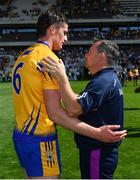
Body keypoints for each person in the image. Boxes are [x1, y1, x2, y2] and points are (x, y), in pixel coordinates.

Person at [12, 9, 126, 179]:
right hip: (40, 139)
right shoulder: (49, 60)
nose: (66, 38)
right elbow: (56, 113)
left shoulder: (24, 56)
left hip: (21, 135)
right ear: (52, 30)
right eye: (64, 32)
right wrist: (97, 133)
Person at [40, 39, 125, 179]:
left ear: (101, 57)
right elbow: (79, 101)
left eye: (90, 52)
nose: (86, 56)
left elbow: (74, 109)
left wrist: (62, 78)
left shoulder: (102, 81)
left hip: (97, 150)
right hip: (101, 150)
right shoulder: (108, 78)